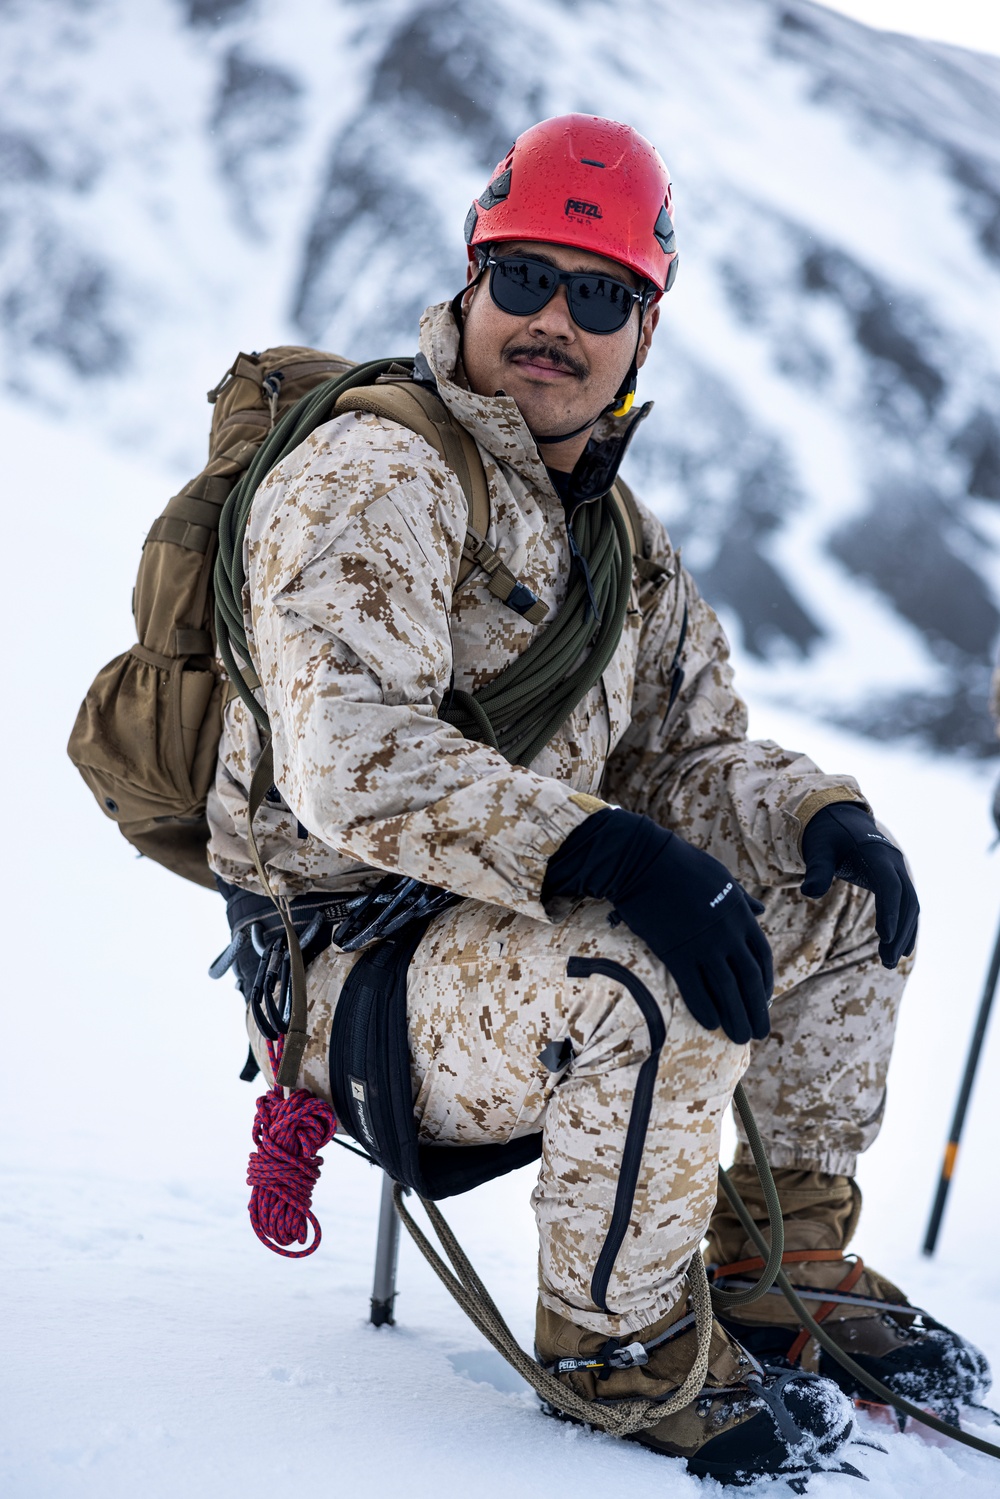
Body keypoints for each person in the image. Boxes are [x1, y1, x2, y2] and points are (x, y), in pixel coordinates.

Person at [206, 115, 983, 1481]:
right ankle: (610, 1346)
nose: (553, 319)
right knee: (647, 969)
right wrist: (606, 850)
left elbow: (689, 753)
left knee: (837, 893)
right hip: (356, 975)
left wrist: (816, 815)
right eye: (524, 279)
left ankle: (776, 1267)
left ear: (643, 330)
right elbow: (351, 759)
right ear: (469, 281)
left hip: (507, 925)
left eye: (599, 292)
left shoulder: (616, 536)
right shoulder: (378, 471)